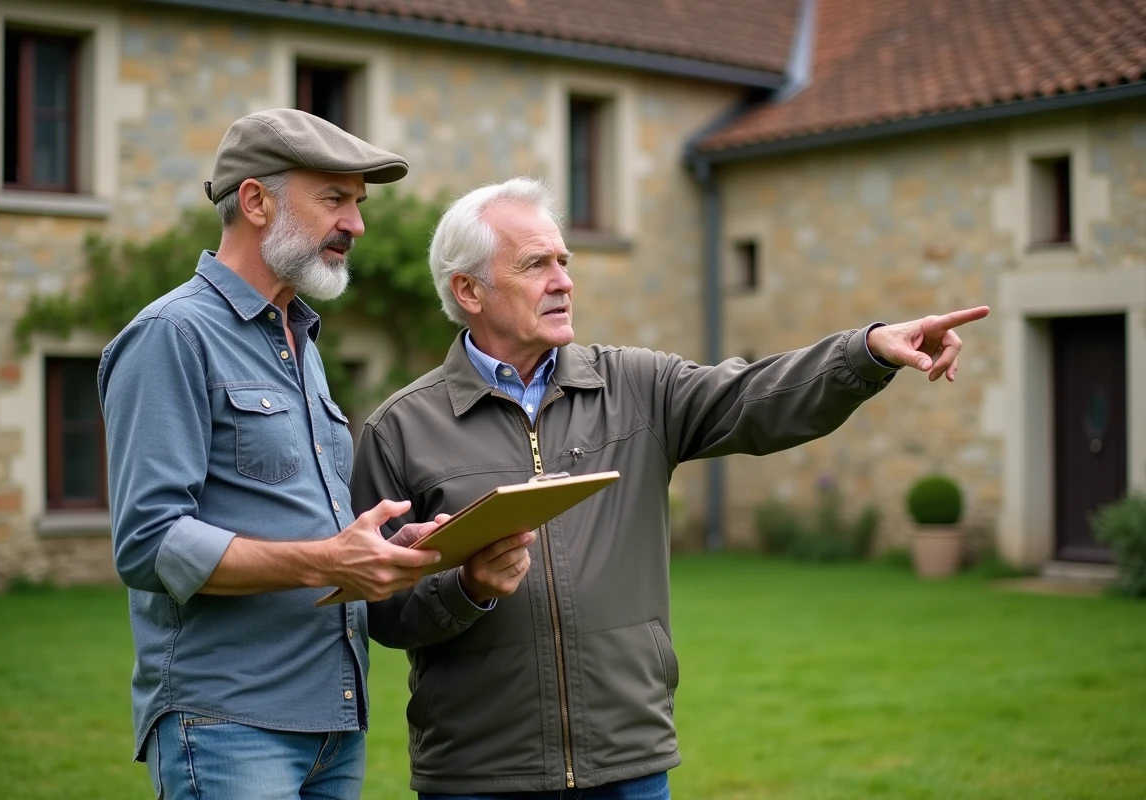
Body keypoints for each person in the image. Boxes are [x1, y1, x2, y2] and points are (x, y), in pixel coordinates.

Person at [351, 177, 990, 799]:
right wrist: (467, 591)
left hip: (628, 762)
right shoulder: (400, 430)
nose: (564, 281)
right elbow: (381, 611)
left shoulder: (638, 387)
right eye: (536, 264)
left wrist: (869, 351)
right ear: (469, 290)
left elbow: (758, 399)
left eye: (565, 261)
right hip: (478, 774)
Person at [98, 109, 524, 800]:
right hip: (229, 721)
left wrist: (397, 548)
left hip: (333, 722)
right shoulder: (172, 337)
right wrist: (328, 560)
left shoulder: (302, 344)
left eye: (358, 202)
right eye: (334, 198)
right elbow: (148, 543)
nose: (356, 223)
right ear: (255, 201)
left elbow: (297, 524)